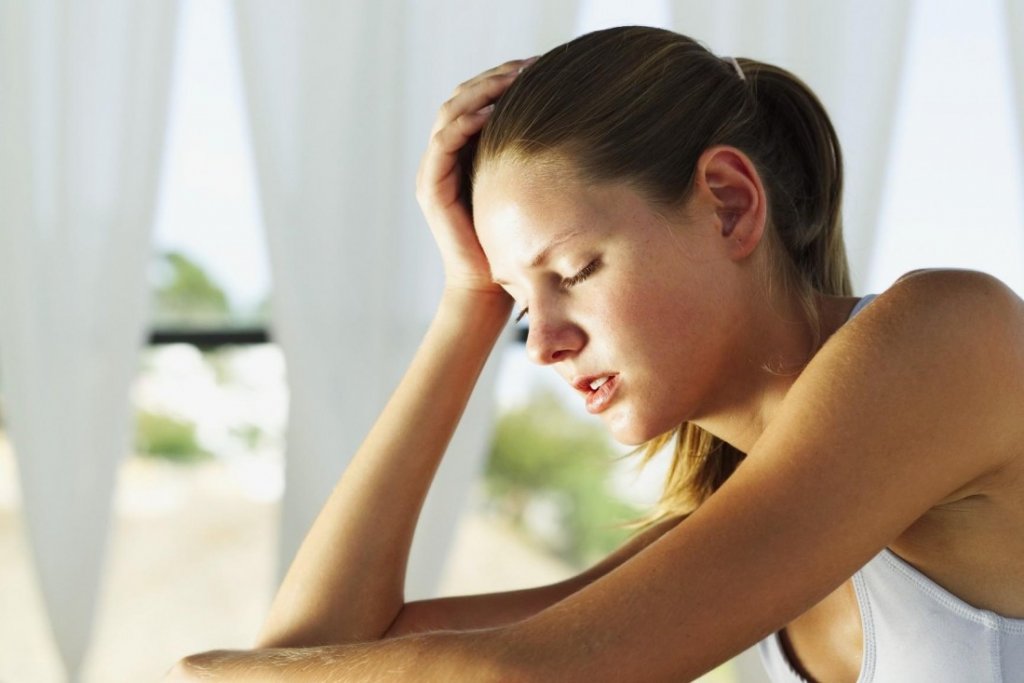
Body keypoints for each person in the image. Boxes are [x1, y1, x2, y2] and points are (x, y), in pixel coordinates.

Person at [169, 26, 1024, 682]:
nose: (542, 342)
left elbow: (532, 674)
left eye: (573, 270)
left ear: (728, 205)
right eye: (516, 302)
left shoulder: (950, 334)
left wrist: (212, 672)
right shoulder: (727, 542)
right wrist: (468, 303)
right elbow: (321, 649)